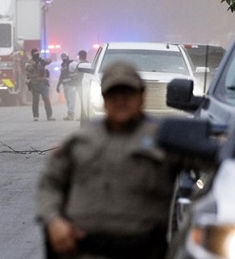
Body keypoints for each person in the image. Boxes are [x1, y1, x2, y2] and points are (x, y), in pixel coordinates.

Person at [36, 61, 178, 258]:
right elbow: (50, 184)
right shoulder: (80, 141)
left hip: (141, 250)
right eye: (113, 94)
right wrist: (54, 220)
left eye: (127, 93)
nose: (120, 100)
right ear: (103, 98)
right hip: (83, 250)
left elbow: (210, 172)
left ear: (142, 96)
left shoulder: (165, 139)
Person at [26, 48, 55, 121]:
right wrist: (35, 63)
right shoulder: (29, 62)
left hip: (43, 83)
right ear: (32, 55)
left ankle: (49, 115)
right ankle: (36, 116)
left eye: (38, 54)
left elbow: (49, 61)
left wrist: (42, 61)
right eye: (35, 54)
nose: (37, 55)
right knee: (35, 101)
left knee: (46, 99)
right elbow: (29, 69)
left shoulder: (41, 61)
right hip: (35, 84)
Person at [55, 53, 76, 121]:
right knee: (68, 100)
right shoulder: (62, 65)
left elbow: (78, 73)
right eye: (62, 57)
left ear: (68, 56)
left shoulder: (73, 64)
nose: (63, 58)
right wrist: (58, 85)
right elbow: (61, 75)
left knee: (72, 100)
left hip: (71, 84)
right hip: (65, 84)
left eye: (64, 57)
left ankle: (70, 114)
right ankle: (70, 114)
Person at [69, 50, 89, 120]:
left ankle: (83, 116)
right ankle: (84, 116)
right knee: (84, 101)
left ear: (80, 56)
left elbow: (77, 74)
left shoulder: (80, 64)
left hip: (80, 85)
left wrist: (71, 75)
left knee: (81, 101)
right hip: (86, 85)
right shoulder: (88, 64)